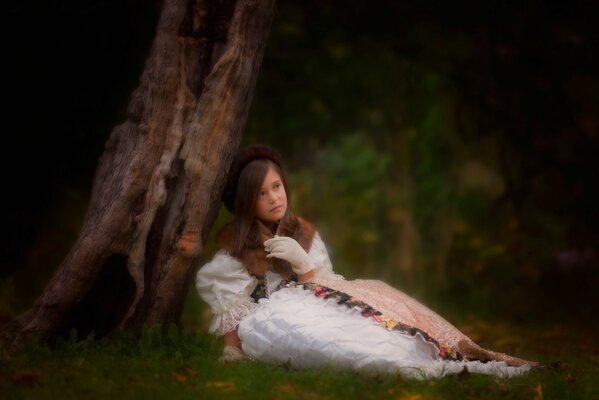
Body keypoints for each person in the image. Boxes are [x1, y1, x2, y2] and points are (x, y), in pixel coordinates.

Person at [196, 144, 537, 379]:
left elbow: (323, 289)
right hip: (271, 321)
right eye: (261, 193)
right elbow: (233, 313)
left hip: (311, 303)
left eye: (277, 186)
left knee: (364, 324)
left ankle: (426, 356)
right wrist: (233, 351)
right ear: (246, 202)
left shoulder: (304, 234)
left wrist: (303, 264)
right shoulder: (234, 252)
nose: (274, 198)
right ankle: (390, 363)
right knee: (320, 341)